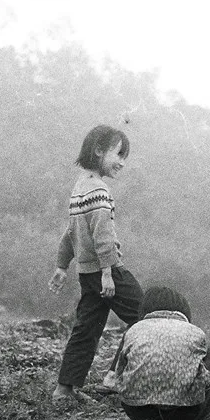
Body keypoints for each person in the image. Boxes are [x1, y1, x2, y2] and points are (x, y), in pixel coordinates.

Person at [48, 125, 143, 405]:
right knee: (147, 317)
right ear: (99, 150)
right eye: (119, 154)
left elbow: (71, 233)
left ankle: (64, 390)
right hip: (107, 272)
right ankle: (115, 378)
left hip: (87, 275)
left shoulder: (79, 188)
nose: (122, 162)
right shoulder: (99, 191)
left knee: (85, 329)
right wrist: (108, 274)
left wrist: (61, 266)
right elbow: (103, 237)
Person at [112, 286, 210, 420]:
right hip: (185, 417)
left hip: (141, 417)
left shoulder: (134, 330)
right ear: (184, 310)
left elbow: (118, 376)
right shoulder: (194, 332)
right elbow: (205, 378)